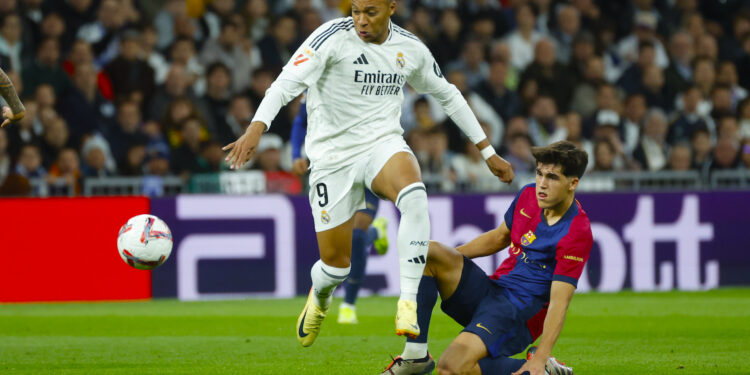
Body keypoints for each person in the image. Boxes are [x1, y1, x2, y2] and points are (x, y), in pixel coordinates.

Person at [223, 0, 514, 347]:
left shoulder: (410, 47)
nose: (361, 20)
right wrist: (256, 127)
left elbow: (448, 94)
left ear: (392, 7)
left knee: (415, 197)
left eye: (370, 12)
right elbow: (286, 83)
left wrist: (487, 151)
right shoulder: (330, 37)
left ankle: (407, 301)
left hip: (382, 144)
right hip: (332, 158)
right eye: (355, 11)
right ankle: (321, 292)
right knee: (336, 266)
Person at [382, 141, 591, 375]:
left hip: (516, 312)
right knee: (427, 253)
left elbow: (559, 302)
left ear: (573, 183)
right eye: (539, 173)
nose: (542, 184)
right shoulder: (528, 196)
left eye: (552, 177)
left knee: (450, 368)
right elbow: (499, 237)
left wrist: (540, 355)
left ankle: (541, 369)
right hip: (493, 290)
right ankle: (415, 355)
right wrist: (447, 261)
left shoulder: (577, 231)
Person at [290, 98, 389, 324]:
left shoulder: (370, 77)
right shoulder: (321, 81)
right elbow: (300, 121)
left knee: (356, 232)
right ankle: (376, 234)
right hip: (334, 166)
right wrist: (296, 153)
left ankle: (349, 304)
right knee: (341, 242)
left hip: (368, 163)